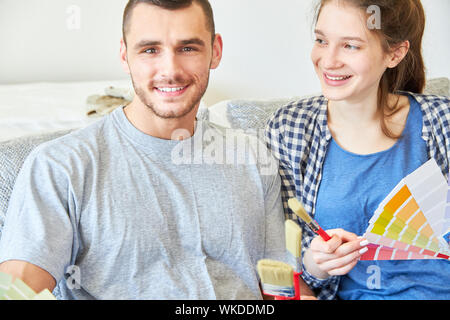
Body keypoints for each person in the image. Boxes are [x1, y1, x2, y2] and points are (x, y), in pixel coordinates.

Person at [0, 0, 288, 300]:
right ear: (125, 56)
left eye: (187, 48)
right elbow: (15, 291)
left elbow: (278, 286)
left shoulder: (252, 157)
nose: (171, 70)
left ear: (215, 51)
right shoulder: (60, 166)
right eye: (150, 50)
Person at [265, 0, 450, 300]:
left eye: (350, 46)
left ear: (395, 53)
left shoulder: (442, 121)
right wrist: (316, 264)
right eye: (322, 40)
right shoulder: (290, 129)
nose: (328, 60)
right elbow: (277, 260)